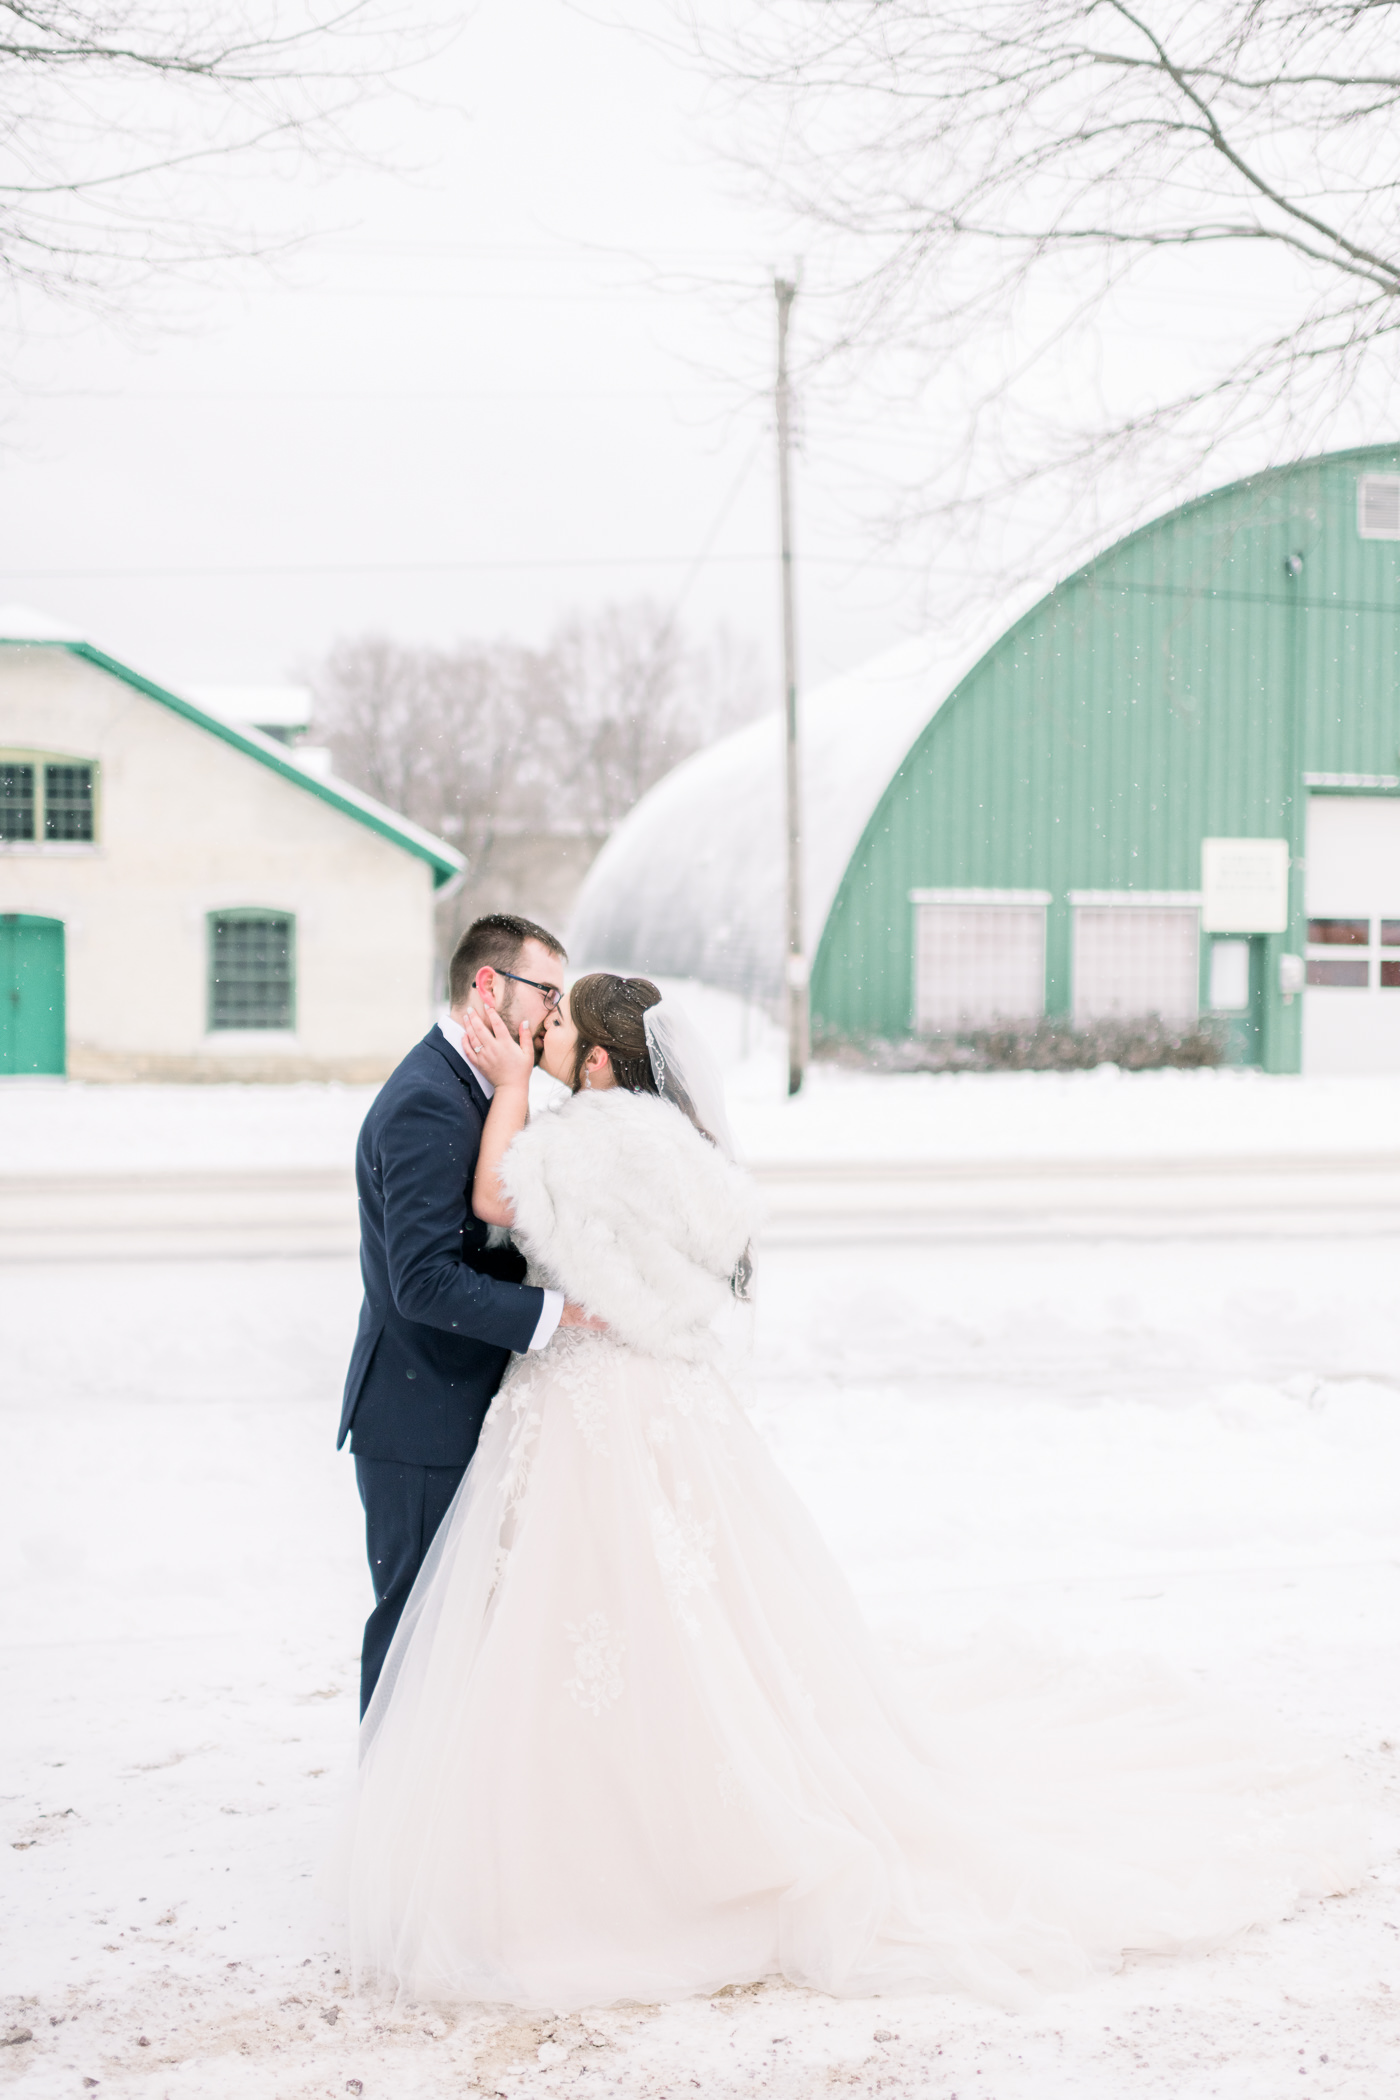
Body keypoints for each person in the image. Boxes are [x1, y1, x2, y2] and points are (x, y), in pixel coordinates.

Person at [332, 973, 1363, 2011]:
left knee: (586, 1607)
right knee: (694, 1612)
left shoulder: (570, 1139)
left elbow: (490, 1202)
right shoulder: (673, 1145)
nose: (538, 1035)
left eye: (554, 1028)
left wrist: (508, 1085)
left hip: (588, 1401)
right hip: (668, 1400)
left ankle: (590, 1834)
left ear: (596, 1062)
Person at [337, 913, 601, 1717]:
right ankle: (384, 1815)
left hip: (455, 1401)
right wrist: (562, 1313)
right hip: (418, 1416)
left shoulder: (479, 1092)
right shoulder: (427, 1102)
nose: (555, 1016)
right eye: (546, 993)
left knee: (462, 1628)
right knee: (417, 1625)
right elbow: (421, 1281)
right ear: (488, 987)